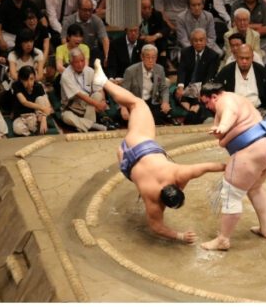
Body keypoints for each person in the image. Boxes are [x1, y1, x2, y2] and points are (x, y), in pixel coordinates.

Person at [95, 60, 224, 242]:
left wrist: (227, 166)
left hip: (139, 144)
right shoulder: (154, 201)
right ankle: (102, 82)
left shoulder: (177, 174)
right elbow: (156, 226)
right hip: (125, 161)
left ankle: (104, 82)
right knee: (137, 105)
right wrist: (179, 236)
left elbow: (206, 167)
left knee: (137, 104)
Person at [198, 81, 266, 251]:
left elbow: (230, 114)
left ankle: (223, 239)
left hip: (252, 150)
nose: (207, 106)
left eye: (207, 102)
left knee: (230, 193)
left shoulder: (224, 101)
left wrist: (222, 127)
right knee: (255, 188)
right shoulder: (236, 98)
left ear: (214, 96)